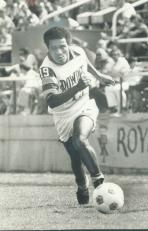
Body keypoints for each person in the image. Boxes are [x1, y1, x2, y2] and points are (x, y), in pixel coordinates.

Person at [39, 27, 115, 205]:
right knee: (74, 155)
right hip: (63, 114)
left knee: (79, 140)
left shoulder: (78, 51)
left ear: (69, 44)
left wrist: (100, 75)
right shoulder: (46, 70)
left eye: (63, 46)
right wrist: (78, 86)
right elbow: (52, 101)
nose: (60, 52)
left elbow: (85, 64)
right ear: (48, 49)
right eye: (54, 48)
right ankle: (82, 186)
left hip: (84, 105)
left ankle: (99, 182)